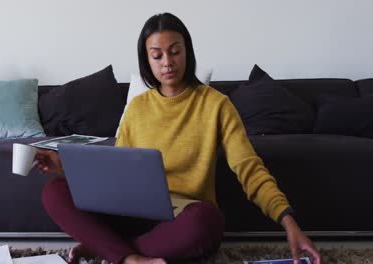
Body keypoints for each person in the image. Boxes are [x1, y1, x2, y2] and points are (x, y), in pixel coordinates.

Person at [36, 13, 322, 264]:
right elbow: (115, 176)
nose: (168, 62)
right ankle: (129, 257)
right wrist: (64, 166)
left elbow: (249, 169)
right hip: (132, 213)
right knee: (54, 192)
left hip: (183, 216)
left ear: (187, 52)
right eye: (157, 55)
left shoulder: (216, 104)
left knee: (207, 223)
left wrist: (289, 222)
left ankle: (110, 250)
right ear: (147, 60)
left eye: (175, 51)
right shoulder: (137, 108)